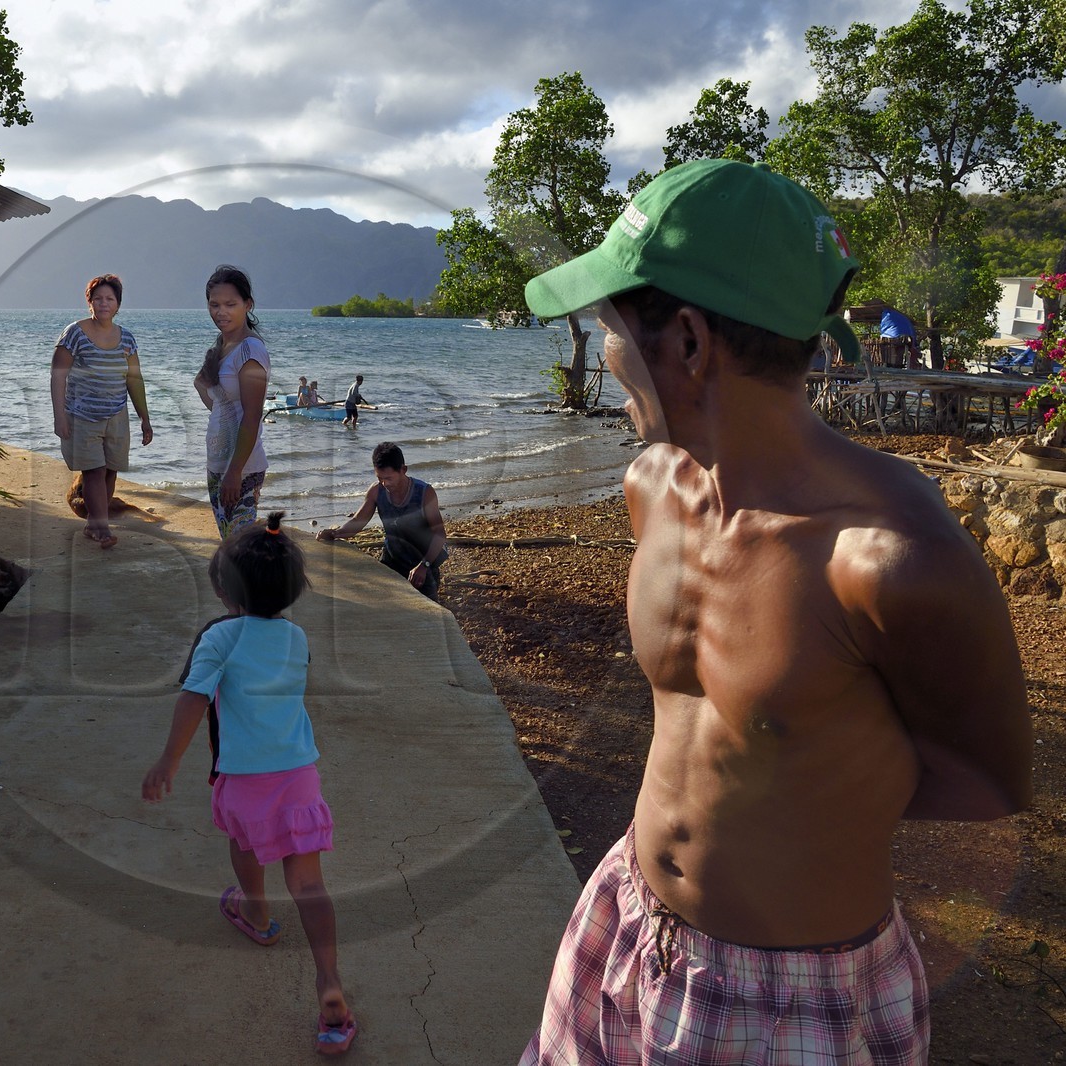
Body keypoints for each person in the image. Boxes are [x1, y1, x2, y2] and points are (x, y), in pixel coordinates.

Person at [516, 158, 1032, 1065]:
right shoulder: (652, 489)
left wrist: (805, 805)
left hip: (794, 995)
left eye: (607, 328)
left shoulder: (889, 559)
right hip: (624, 917)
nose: (604, 354)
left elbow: (991, 780)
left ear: (687, 341)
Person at [141, 512, 356, 1056]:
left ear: (222, 589)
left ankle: (256, 912)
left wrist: (168, 760)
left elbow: (193, 698)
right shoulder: (295, 636)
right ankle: (329, 981)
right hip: (299, 776)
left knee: (243, 845)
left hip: (243, 777)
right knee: (309, 884)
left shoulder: (219, 637)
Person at [50, 273, 153, 549]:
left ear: (118, 304)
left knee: (110, 471)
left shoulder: (127, 339)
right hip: (81, 417)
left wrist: (145, 418)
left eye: (110, 299)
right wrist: (60, 417)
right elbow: (58, 375)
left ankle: (94, 523)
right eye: (98, 299)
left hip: (116, 416)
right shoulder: (75, 333)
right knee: (94, 471)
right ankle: (101, 528)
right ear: (90, 302)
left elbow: (134, 379)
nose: (104, 303)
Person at [316, 441, 447, 600]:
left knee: (428, 609)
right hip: (392, 559)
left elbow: (439, 534)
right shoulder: (376, 491)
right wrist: (335, 533)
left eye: (389, 478)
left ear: (403, 470)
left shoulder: (425, 493)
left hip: (423, 561)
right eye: (380, 478)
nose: (385, 483)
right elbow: (358, 520)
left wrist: (424, 566)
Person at [193, 265, 269, 538]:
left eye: (230, 304)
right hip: (217, 464)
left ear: (247, 304)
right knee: (231, 544)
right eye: (214, 304)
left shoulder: (250, 350)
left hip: (241, 469)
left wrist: (235, 472)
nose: (221, 312)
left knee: (240, 548)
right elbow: (214, 399)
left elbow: (252, 416)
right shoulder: (222, 346)